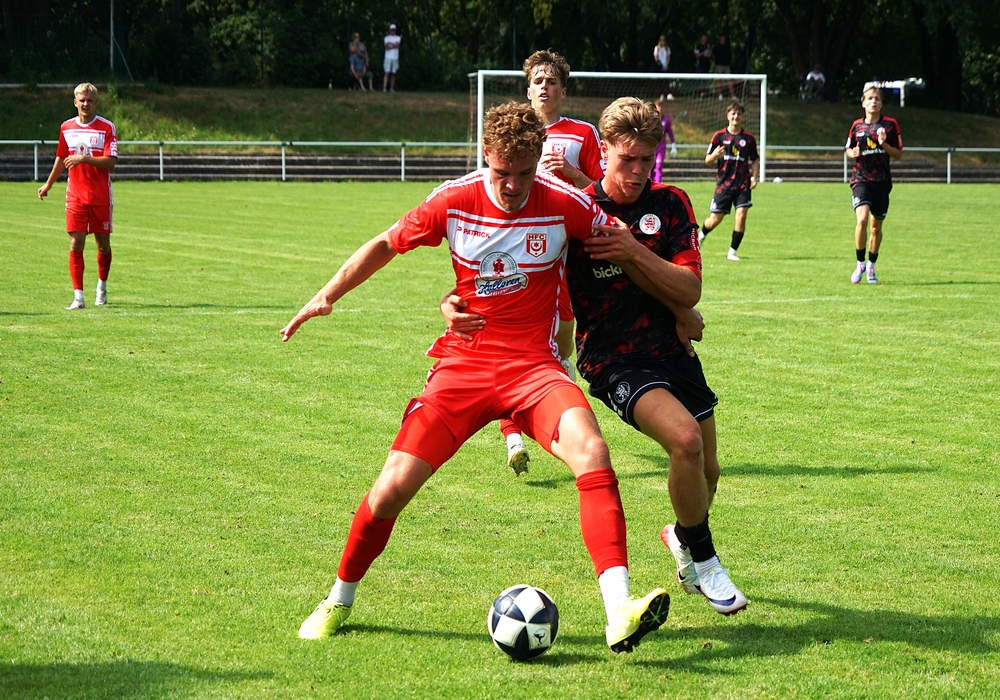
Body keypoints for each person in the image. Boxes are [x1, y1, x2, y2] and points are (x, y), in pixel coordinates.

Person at [283, 100, 670, 653]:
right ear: (485, 154)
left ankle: (619, 612)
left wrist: (680, 310)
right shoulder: (454, 199)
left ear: (540, 158)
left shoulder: (565, 202)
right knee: (390, 490)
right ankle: (338, 599)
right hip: (463, 366)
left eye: (524, 173)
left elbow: (628, 252)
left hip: (535, 369)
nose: (512, 185)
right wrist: (326, 296)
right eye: (502, 171)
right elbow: (386, 244)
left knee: (593, 452)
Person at [444, 97, 748, 617]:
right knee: (685, 440)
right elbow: (507, 264)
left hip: (672, 350)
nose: (637, 171)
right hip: (613, 359)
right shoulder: (575, 209)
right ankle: (706, 563)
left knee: (707, 471)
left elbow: (689, 287)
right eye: (626, 159)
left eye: (646, 159)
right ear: (602, 150)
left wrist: (638, 257)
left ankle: (682, 538)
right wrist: (453, 301)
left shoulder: (671, 203)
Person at [485, 48, 606, 475]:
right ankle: (513, 435)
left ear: (562, 91)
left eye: (551, 81)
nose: (544, 87)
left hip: (564, 251)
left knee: (562, 339)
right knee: (510, 340)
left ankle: (558, 375)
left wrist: (572, 176)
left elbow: (601, 190)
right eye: (537, 80)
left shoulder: (581, 133)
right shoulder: (512, 132)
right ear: (527, 89)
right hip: (515, 251)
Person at [37, 82, 118, 310]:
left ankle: (101, 287)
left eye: (90, 100)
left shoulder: (106, 127)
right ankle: (78, 297)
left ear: (96, 103)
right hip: (75, 196)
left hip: (100, 196)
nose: (85, 104)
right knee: (76, 243)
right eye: (82, 100)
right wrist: (48, 184)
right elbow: (61, 157)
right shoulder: (66, 127)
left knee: (103, 245)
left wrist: (84, 158)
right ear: (75, 102)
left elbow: (110, 162)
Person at [846, 84, 902, 284]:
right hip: (861, 179)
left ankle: (871, 265)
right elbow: (848, 148)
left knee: (876, 228)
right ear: (863, 103)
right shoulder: (857, 126)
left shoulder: (890, 125)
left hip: (882, 182)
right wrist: (852, 153)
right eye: (869, 98)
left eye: (877, 99)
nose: (873, 102)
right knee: (861, 220)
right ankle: (860, 263)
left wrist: (884, 144)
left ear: (881, 103)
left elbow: (898, 154)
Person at [698, 99, 758, 261]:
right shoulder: (719, 136)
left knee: (741, 215)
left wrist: (755, 177)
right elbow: (707, 160)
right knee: (715, 220)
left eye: (739, 114)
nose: (736, 116)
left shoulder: (749, 138)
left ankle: (732, 251)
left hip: (743, 184)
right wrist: (714, 156)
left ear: (742, 117)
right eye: (733, 113)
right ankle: (701, 235)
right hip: (724, 185)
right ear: (727, 116)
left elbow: (755, 159)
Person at [653, 95, 678, 183]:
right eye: (658, 106)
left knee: (659, 166)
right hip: (652, 146)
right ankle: (649, 186)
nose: (659, 108)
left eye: (661, 106)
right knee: (650, 168)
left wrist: (673, 144)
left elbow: (670, 132)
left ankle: (658, 184)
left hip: (661, 146)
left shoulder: (666, 120)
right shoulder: (651, 119)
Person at [383, 24, 401, 92]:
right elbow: (386, 46)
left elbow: (397, 45)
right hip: (388, 57)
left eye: (394, 30)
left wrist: (390, 44)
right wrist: (393, 45)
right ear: (389, 30)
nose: (393, 31)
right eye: (391, 30)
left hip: (395, 57)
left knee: (393, 73)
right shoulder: (386, 38)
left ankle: (391, 88)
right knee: (387, 72)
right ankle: (384, 87)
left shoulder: (398, 38)